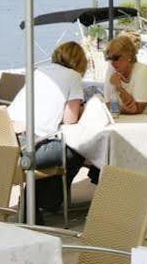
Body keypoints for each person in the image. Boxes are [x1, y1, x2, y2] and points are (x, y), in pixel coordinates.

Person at [7, 42, 87, 218]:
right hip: (29, 148)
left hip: (7, 142)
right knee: (78, 150)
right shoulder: (73, 76)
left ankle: (38, 201)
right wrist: (82, 108)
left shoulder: (40, 72)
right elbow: (70, 119)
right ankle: (42, 200)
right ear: (80, 61)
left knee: (59, 150)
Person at [104, 34, 147, 115]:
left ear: (129, 56)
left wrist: (119, 87)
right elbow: (107, 103)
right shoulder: (112, 68)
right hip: (129, 118)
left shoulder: (142, 71)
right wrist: (121, 109)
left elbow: (136, 109)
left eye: (116, 58)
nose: (112, 62)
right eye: (109, 58)